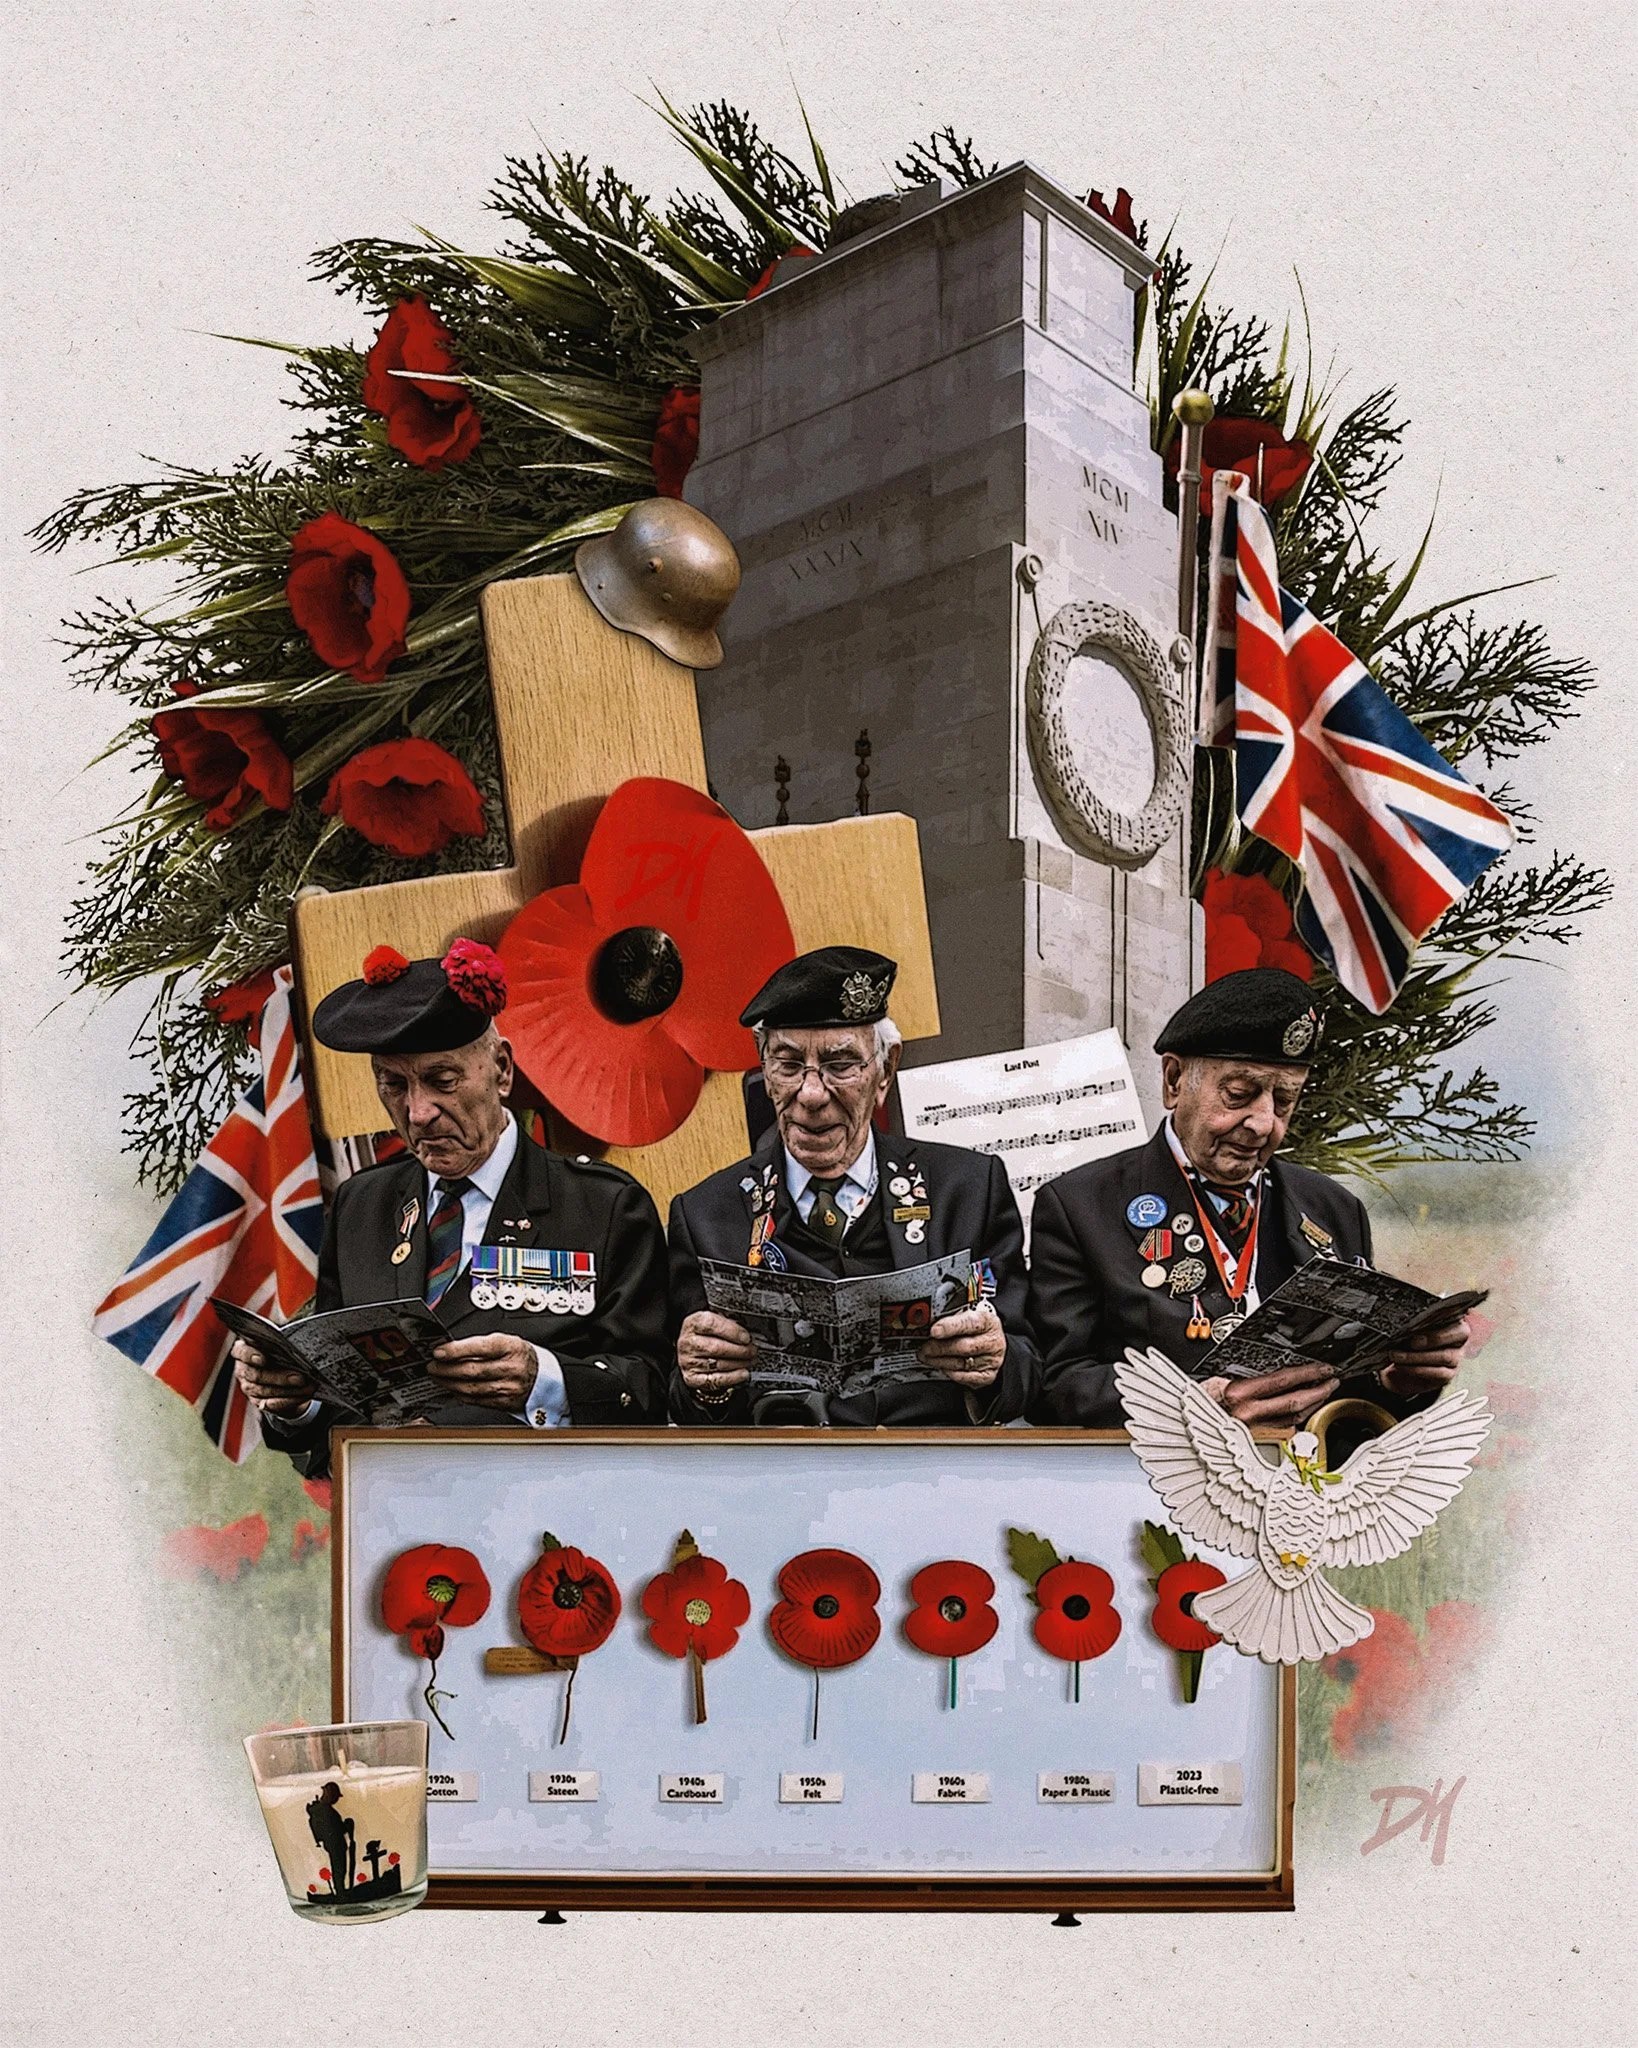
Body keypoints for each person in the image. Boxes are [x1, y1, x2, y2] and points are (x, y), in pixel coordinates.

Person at [232, 940, 669, 1477]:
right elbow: (337, 1419)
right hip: (393, 1516)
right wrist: (298, 1401)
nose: (417, 1113)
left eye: (443, 1081)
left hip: (553, 1511)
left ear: (502, 1071)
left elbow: (654, 1389)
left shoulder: (604, 1205)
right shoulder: (361, 1207)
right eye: (393, 1085)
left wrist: (545, 1380)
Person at [1029, 967, 1470, 1433]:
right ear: (1174, 1081)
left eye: (1284, 1100)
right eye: (1239, 1094)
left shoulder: (1335, 1209)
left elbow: (1352, 1399)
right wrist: (1195, 1406)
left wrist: (1399, 1380)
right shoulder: (1079, 1205)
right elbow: (1054, 1385)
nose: (1263, 1124)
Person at [668, 946, 1039, 1425]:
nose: (812, 1094)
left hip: (933, 1480)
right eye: (787, 1064)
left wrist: (995, 1362)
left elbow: (1030, 1372)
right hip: (781, 1484)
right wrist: (704, 1383)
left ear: (884, 1072)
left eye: (841, 1065)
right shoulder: (704, 1215)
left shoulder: (968, 1189)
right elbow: (677, 1397)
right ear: (764, 1071)